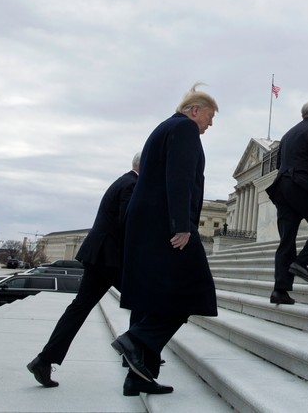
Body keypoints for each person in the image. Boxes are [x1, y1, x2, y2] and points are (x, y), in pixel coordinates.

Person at [110, 85, 218, 397]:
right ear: (194, 110)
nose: (208, 126)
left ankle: (138, 378)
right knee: (195, 291)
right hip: (168, 226)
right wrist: (182, 225)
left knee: (154, 298)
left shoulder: (165, 127)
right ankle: (136, 339)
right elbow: (179, 178)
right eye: (208, 119)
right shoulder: (184, 128)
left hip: (148, 224)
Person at [27, 152, 141, 388]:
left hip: (99, 256)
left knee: (79, 308)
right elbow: (128, 224)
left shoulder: (123, 181)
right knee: (143, 300)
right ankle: (134, 354)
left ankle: (44, 360)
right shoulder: (132, 184)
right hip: (110, 258)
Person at [266, 100, 308, 305]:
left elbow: (279, 164)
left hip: (282, 188)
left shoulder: (288, 134)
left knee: (287, 240)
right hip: (302, 186)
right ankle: (302, 263)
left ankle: (280, 291)